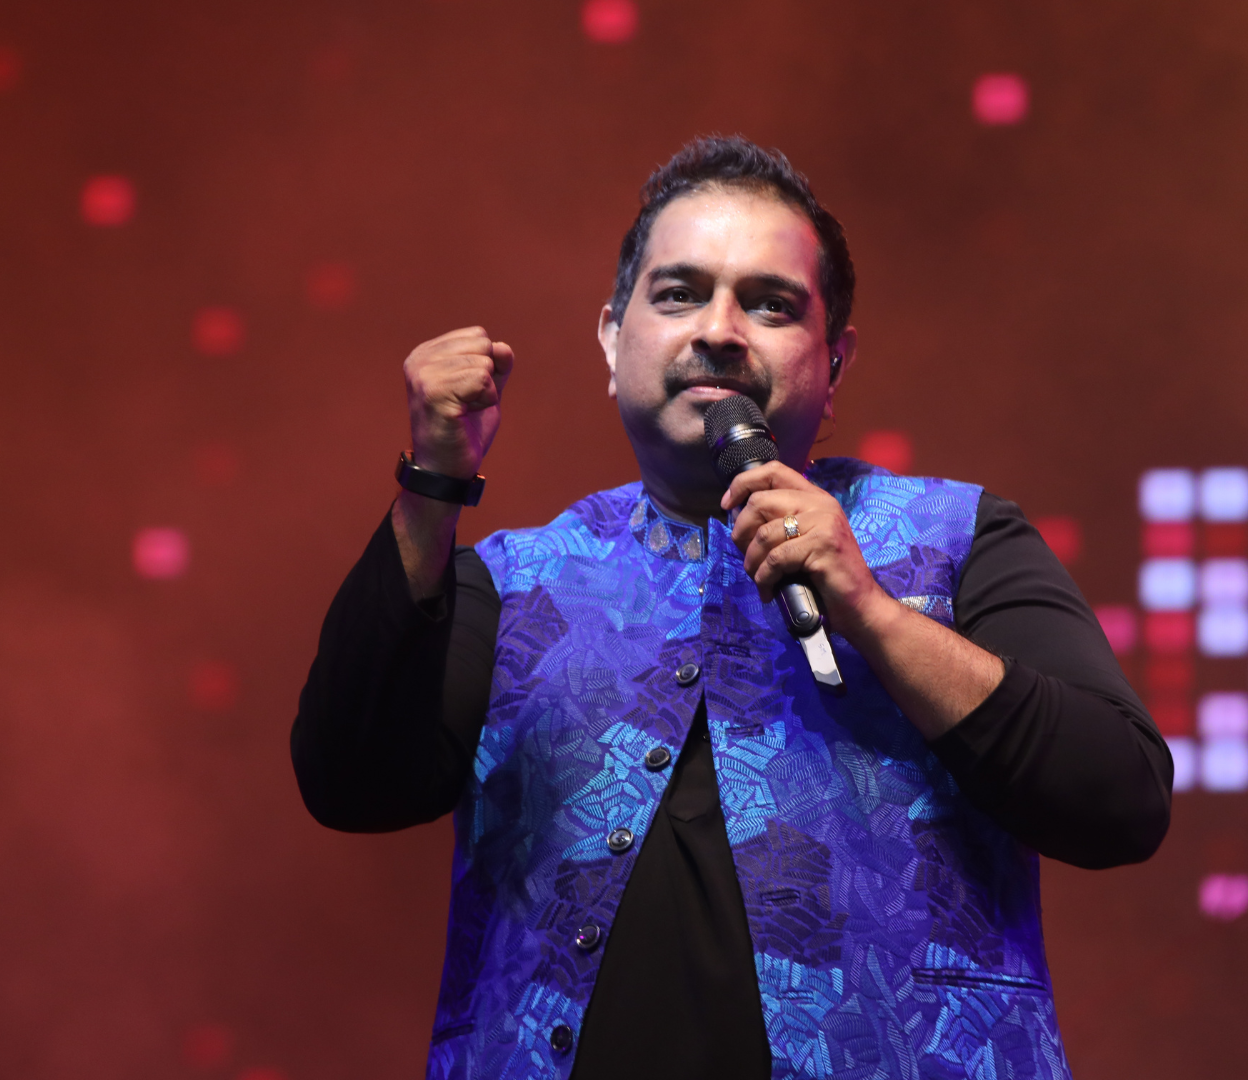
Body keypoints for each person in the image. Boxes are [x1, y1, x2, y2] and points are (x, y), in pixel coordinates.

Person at [291, 135, 1171, 1080]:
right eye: (679, 294)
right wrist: (432, 484)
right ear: (611, 338)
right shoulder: (512, 583)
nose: (718, 330)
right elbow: (351, 787)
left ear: (835, 364)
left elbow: (1120, 801)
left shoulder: (961, 538)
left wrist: (872, 609)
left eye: (769, 304)